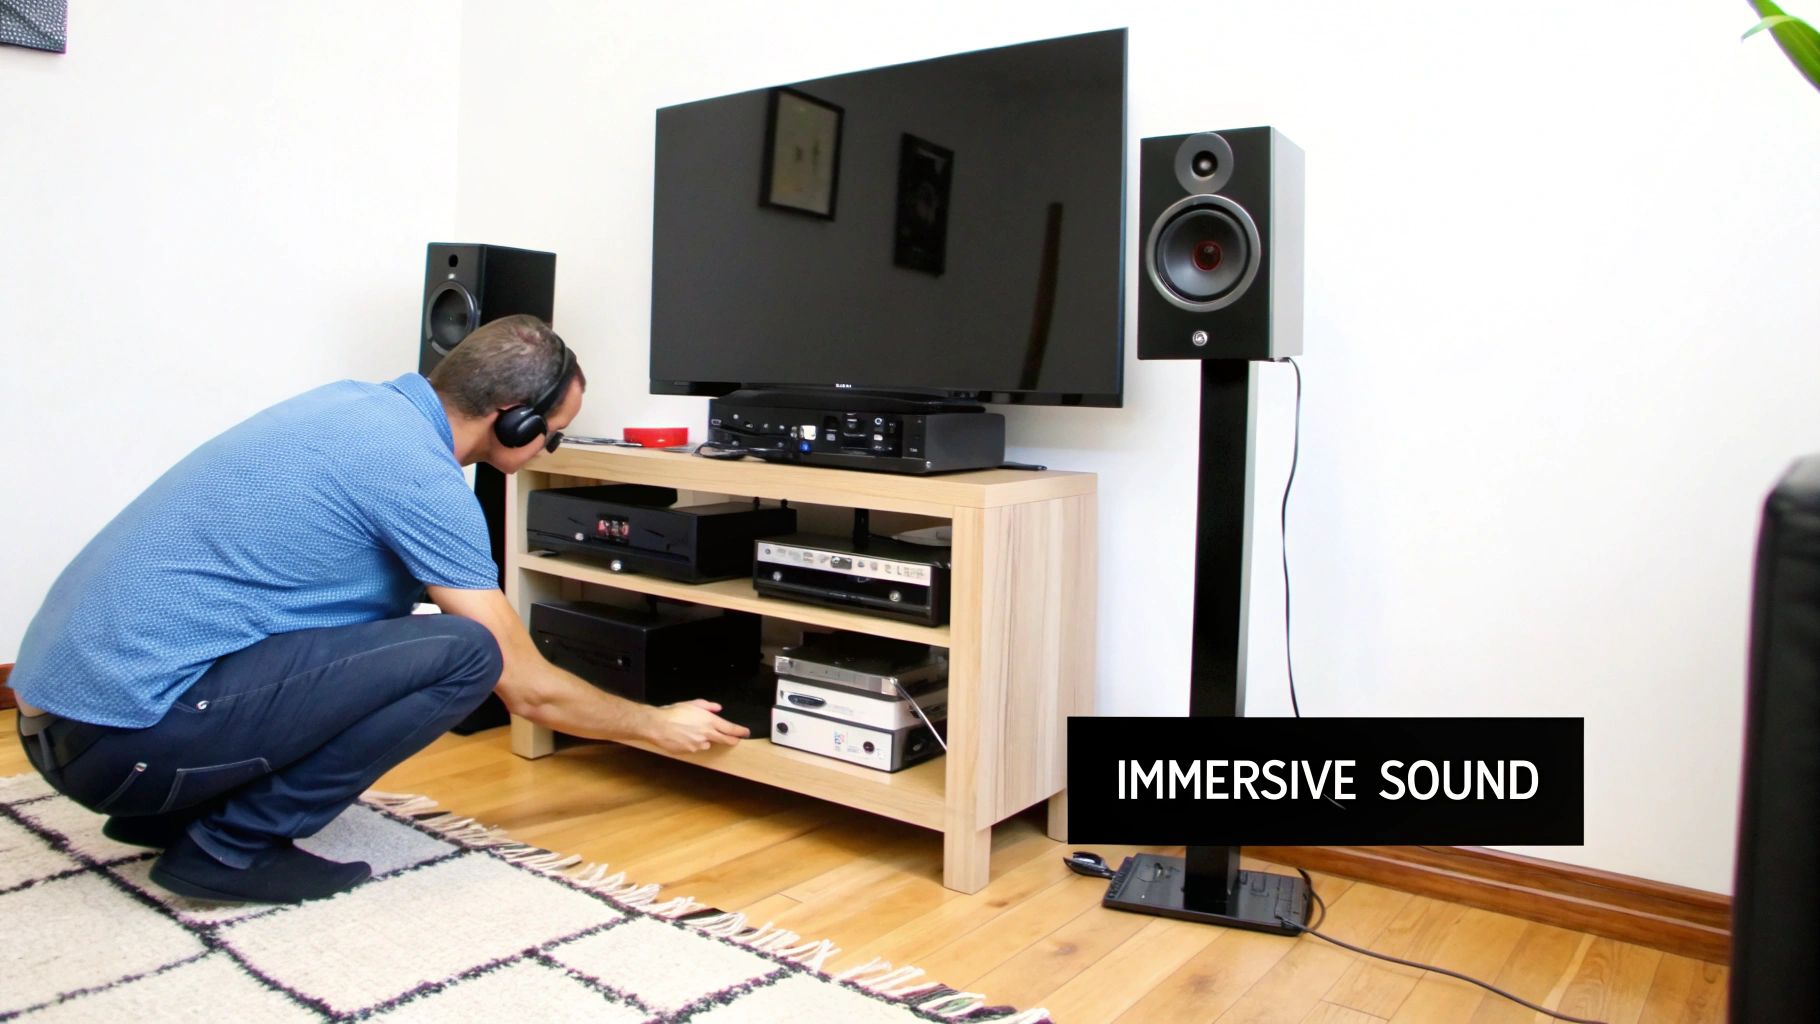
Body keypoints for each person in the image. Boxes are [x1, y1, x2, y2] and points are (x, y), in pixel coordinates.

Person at [10, 315, 748, 904]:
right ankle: (230, 848)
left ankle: (176, 814)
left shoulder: (352, 408)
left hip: (69, 729)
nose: (549, 449)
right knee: (469, 652)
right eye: (550, 433)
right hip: (123, 747)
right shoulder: (416, 474)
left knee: (392, 630)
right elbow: (527, 689)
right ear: (514, 419)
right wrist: (657, 724)